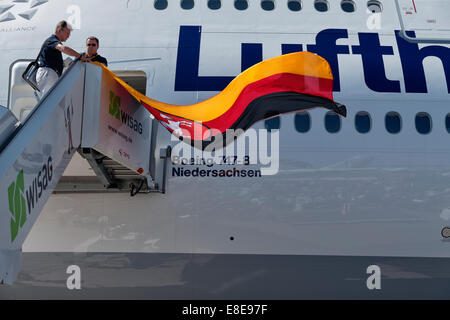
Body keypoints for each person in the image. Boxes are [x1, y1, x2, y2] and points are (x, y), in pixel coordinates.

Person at [36, 20, 86, 96]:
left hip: (50, 74)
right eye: (67, 33)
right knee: (49, 101)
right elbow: (63, 48)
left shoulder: (52, 42)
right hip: (48, 74)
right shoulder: (52, 41)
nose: (68, 36)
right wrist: (80, 56)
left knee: (51, 100)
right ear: (59, 31)